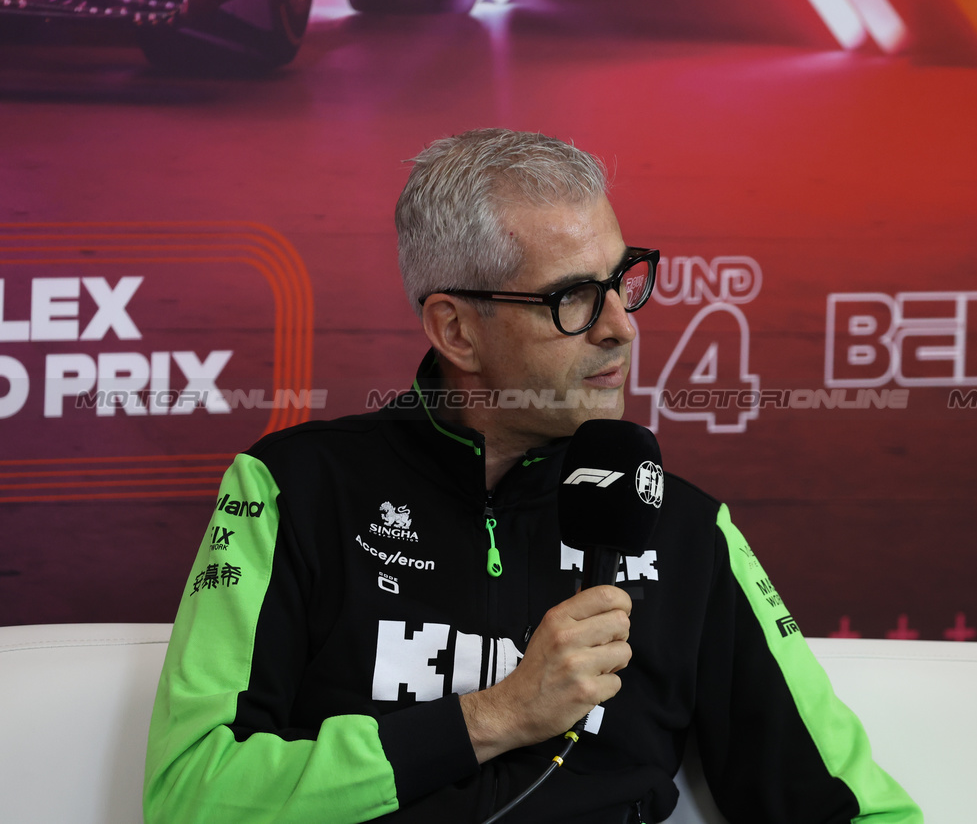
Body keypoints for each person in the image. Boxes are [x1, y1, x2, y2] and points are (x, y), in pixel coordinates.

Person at [144, 128, 922, 823]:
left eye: (623, 281)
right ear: (455, 328)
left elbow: (852, 809)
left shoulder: (685, 529)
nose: (621, 325)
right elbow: (191, 796)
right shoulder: (292, 488)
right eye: (573, 299)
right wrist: (497, 716)